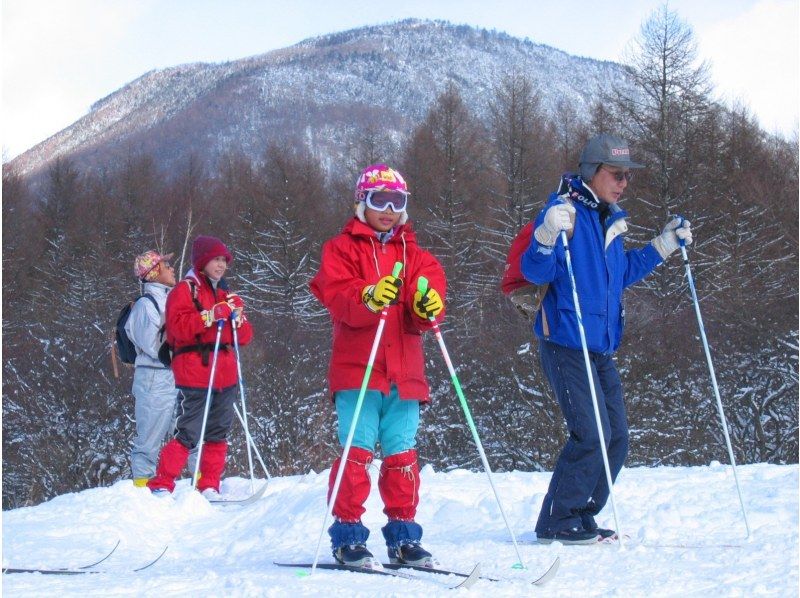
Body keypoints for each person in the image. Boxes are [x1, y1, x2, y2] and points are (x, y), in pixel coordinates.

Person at [521, 134, 692, 544]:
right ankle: (557, 520)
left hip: (600, 345)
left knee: (616, 436)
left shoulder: (610, 219)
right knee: (591, 432)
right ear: (591, 171)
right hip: (564, 341)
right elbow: (535, 271)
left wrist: (663, 245)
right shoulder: (563, 211)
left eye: (627, 177)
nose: (623, 183)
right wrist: (544, 235)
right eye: (616, 175)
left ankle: (580, 514)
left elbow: (619, 275)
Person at [309, 163, 447, 567]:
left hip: (404, 373)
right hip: (359, 370)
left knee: (402, 454)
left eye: (397, 201)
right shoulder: (341, 248)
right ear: (361, 202)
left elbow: (430, 291)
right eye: (378, 200)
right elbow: (336, 294)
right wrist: (367, 296)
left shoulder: (415, 254)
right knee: (357, 450)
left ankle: (404, 535)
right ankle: (347, 534)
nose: (388, 209)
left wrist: (428, 305)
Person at [147, 235, 253, 499]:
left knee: (218, 432)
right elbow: (178, 329)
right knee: (189, 431)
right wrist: (208, 316)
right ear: (202, 261)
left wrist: (238, 319)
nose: (220, 265)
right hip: (195, 372)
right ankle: (162, 482)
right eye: (215, 259)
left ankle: (209, 485)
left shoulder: (226, 293)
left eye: (224, 260)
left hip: (225, 373)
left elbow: (245, 337)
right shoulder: (185, 290)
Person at [127, 250, 177, 487]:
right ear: (154, 273)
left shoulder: (171, 300)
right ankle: (142, 490)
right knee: (149, 439)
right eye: (166, 266)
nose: (172, 268)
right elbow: (156, 348)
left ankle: (195, 486)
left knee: (190, 433)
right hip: (154, 378)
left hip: (176, 376)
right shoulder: (144, 307)